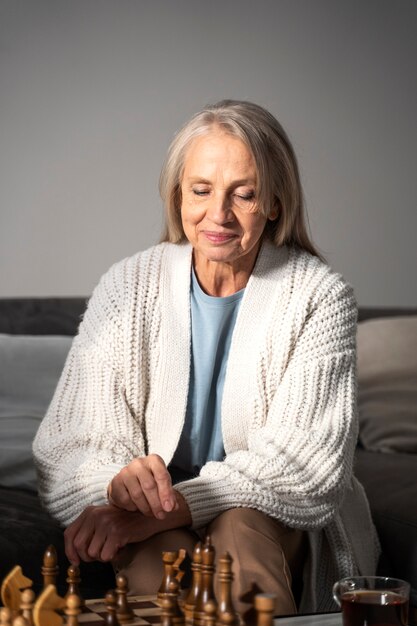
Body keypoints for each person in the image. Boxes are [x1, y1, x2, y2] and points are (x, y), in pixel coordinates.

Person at [33, 99, 379, 618]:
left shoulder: (319, 295)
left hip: (265, 516)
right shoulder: (128, 285)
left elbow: (306, 466)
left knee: (238, 527)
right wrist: (115, 482)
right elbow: (69, 443)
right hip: (154, 522)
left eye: (244, 194)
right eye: (201, 191)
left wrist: (180, 504)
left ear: (275, 204)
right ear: (177, 196)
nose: (218, 214)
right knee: (155, 560)